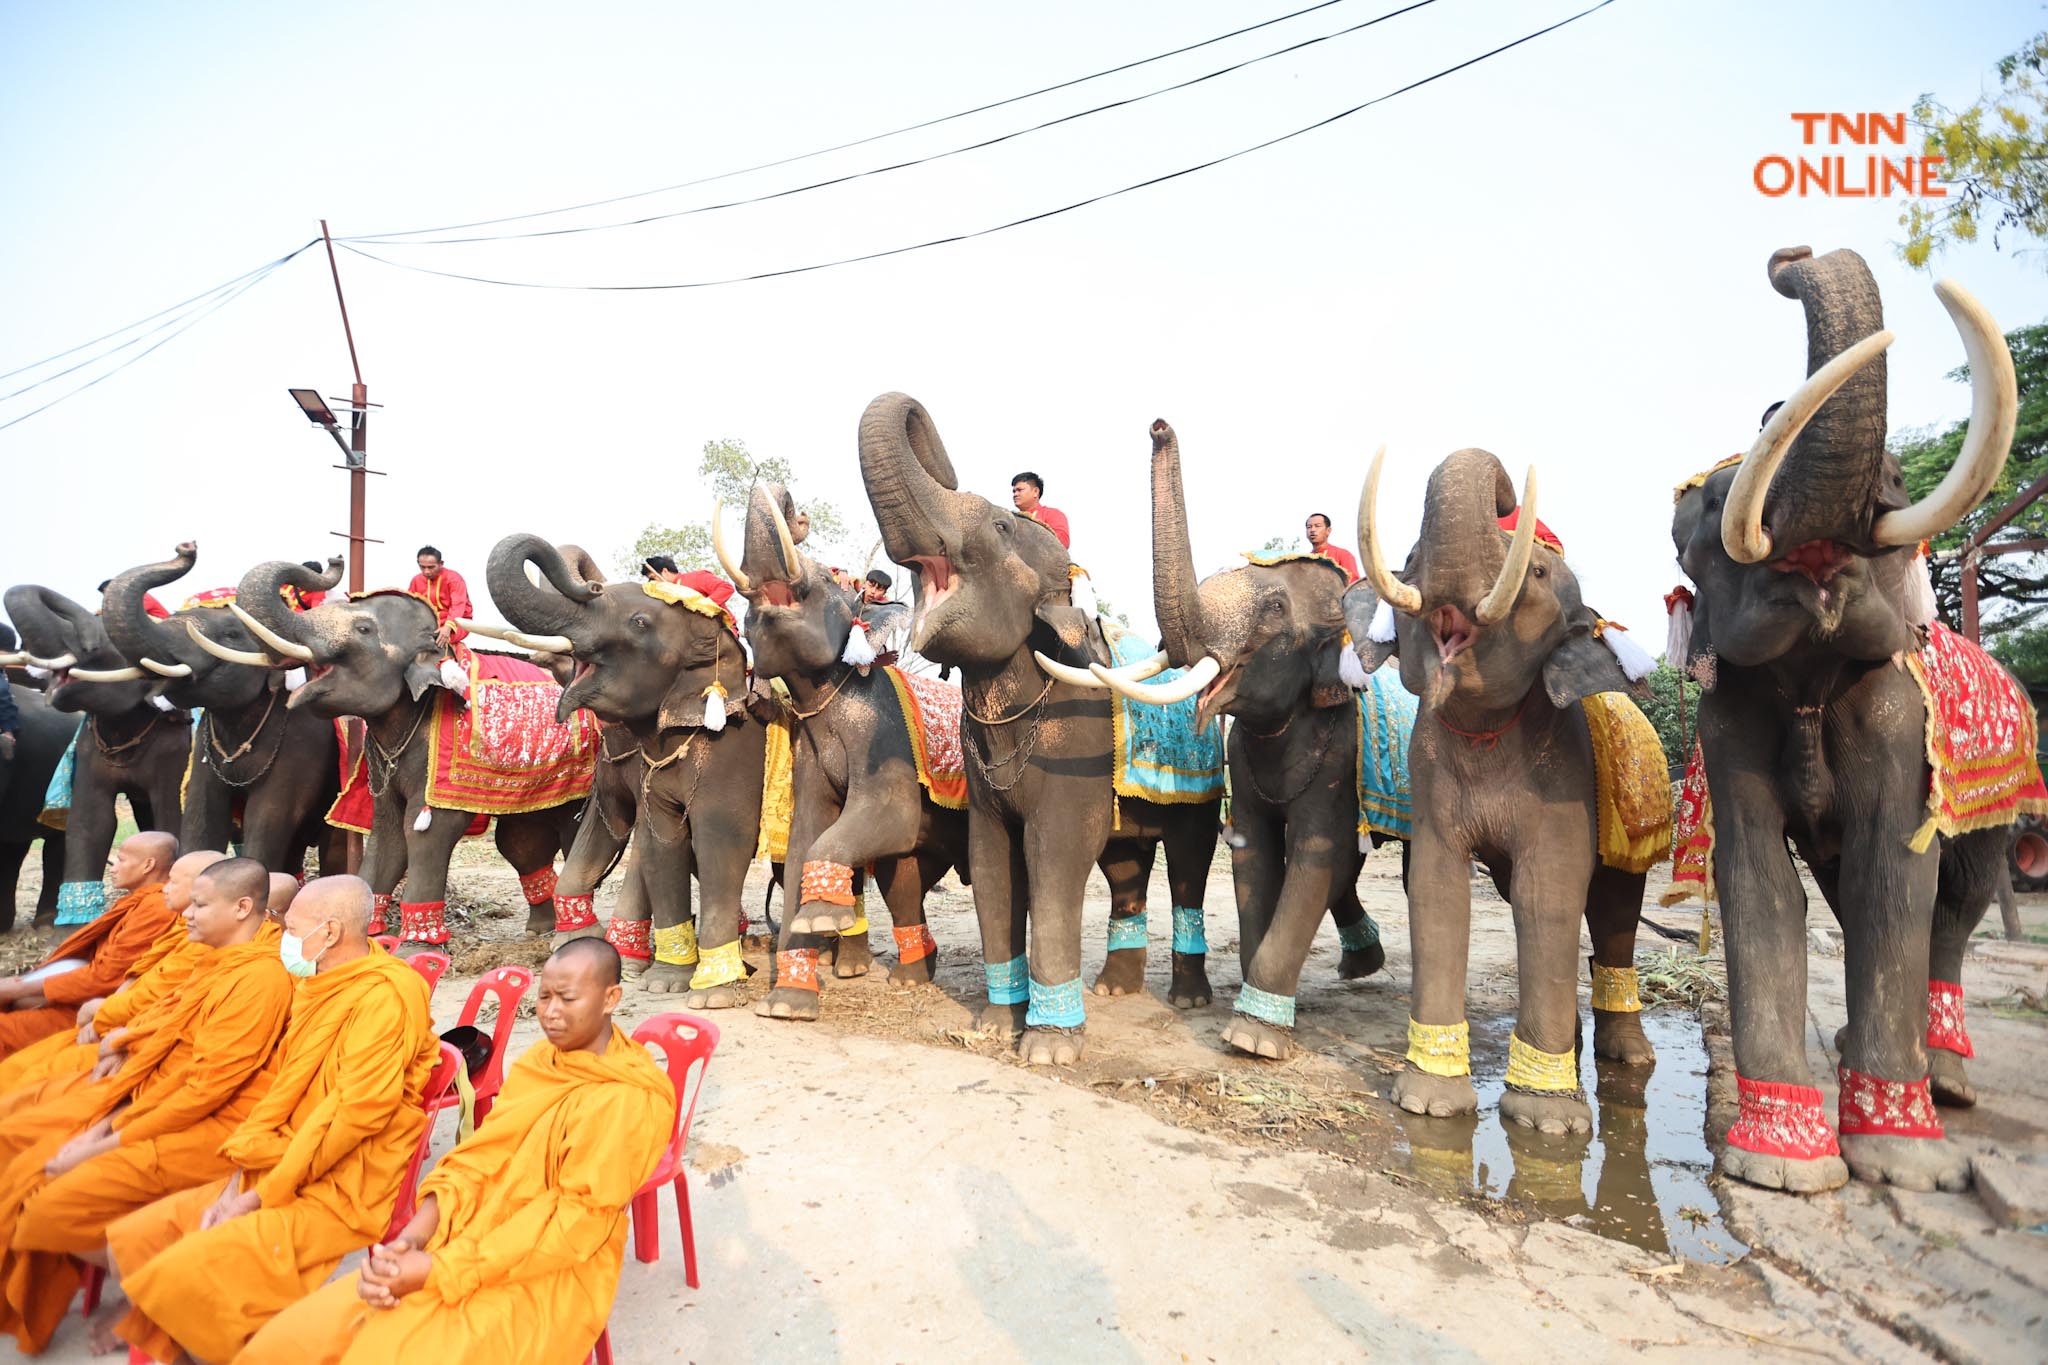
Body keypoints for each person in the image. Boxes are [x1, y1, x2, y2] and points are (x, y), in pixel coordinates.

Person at [239, 938, 676, 1365]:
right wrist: (411, 1240)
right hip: (460, 1237)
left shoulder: (629, 1099)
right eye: (543, 997)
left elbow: (574, 1225)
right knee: (291, 1341)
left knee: (385, 1351)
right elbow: (472, 1163)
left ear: (611, 998)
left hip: (546, 1274)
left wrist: (440, 1271)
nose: (551, 1013)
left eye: (567, 998)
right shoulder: (542, 1061)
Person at [109, 875, 442, 1364]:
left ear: (329, 932)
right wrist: (235, 1178)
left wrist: (257, 1197)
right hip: (274, 1158)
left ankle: (234, 1345)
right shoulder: (320, 982)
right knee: (139, 1237)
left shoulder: (385, 997)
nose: (282, 934)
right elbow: (278, 1089)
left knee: (182, 1271)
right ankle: (196, 1344)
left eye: (292, 926)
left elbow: (354, 1116)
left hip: (337, 1184)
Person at [0, 857, 292, 1354]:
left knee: (42, 1195)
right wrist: (127, 1038)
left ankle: (151, 1295)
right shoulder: (217, 960)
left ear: (244, 908)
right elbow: (171, 1022)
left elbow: (206, 1090)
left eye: (198, 904)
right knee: (26, 1140)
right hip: (142, 1091)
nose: (186, 914)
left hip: (205, 1123)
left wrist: (103, 1140)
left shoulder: (258, 980)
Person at [0, 849, 224, 1112]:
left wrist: (105, 1018)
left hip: (121, 1036)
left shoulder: (168, 918)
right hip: (108, 1021)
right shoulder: (177, 924)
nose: (113, 866)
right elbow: (137, 982)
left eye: (122, 859)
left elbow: (118, 984)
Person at [0, 834, 178, 1060]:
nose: (113, 867)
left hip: (93, 1008)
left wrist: (18, 989)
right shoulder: (138, 902)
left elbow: (105, 978)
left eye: (121, 860)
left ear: (148, 865)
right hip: (78, 995)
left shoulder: (156, 908)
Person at [408, 546, 472, 649]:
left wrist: (448, 626)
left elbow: (458, 605)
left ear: (441, 563)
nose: (426, 571)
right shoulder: (416, 580)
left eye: (431, 567)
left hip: (457, 623)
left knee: (434, 642)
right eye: (422, 567)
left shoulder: (454, 579)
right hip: (427, 624)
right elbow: (410, 606)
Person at [1010, 471, 1070, 548]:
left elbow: (1062, 542)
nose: (1015, 494)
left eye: (1020, 490)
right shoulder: (1011, 519)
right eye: (1014, 491)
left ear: (1035, 491)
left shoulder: (1052, 514)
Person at [1303, 512, 1360, 581]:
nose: (1312, 530)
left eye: (1317, 526)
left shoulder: (1343, 555)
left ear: (1328, 530)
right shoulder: (1304, 562)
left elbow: (1353, 584)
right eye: (1309, 527)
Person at [97, 581, 169, 620]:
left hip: (163, 623)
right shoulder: (124, 602)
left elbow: (132, 611)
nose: (108, 595)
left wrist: (105, 611)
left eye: (109, 592)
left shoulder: (141, 596)